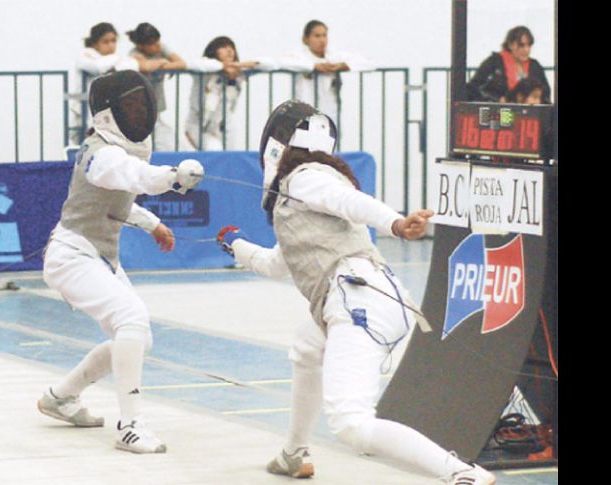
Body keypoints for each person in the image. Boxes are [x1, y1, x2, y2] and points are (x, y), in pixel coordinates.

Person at [215, 100, 496, 484]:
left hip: (357, 301)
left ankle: (463, 474)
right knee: (306, 348)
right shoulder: (296, 202)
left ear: (276, 146)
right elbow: (279, 264)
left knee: (351, 424)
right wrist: (237, 247)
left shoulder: (305, 178)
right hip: (364, 296)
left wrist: (395, 222)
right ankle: (295, 453)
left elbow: (349, 201)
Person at [37, 70, 204, 454]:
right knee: (131, 319)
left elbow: (119, 198)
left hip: (98, 256)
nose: (139, 111)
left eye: (142, 104)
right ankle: (130, 426)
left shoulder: (123, 150)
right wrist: (173, 177)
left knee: (138, 339)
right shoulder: (102, 153)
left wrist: (153, 223)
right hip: (71, 256)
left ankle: (61, 396)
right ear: (109, 112)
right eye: (129, 105)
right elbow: (133, 176)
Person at [184, 36, 275, 150]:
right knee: (215, 149)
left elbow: (270, 64)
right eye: (223, 47)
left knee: (230, 156)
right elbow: (194, 63)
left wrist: (239, 65)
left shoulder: (238, 72)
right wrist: (222, 67)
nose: (229, 50)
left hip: (222, 126)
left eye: (231, 47)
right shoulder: (204, 72)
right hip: (197, 125)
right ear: (214, 51)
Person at [280, 20, 375, 126]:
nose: (322, 40)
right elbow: (283, 62)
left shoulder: (333, 57)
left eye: (324, 35)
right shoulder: (300, 57)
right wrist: (314, 67)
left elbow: (370, 62)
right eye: (317, 36)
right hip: (304, 114)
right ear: (306, 39)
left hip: (329, 113)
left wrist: (344, 65)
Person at [71, 23, 144, 144]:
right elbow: (98, 66)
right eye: (106, 42)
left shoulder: (116, 59)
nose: (111, 45)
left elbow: (134, 66)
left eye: (113, 41)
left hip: (105, 116)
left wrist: (122, 61)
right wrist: (120, 59)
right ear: (95, 43)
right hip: (83, 116)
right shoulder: (85, 54)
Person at [127, 23, 187, 151]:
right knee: (149, 142)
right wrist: (164, 62)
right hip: (142, 110)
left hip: (156, 106)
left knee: (169, 142)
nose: (157, 45)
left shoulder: (161, 48)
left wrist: (162, 65)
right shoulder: (133, 54)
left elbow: (181, 63)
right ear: (141, 45)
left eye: (158, 41)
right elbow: (146, 66)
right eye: (152, 44)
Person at [467, 26, 551, 104]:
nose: (526, 50)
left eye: (529, 45)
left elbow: (546, 93)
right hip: (500, 113)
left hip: (529, 115)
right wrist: (496, 100)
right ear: (510, 45)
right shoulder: (494, 63)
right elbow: (473, 88)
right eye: (521, 45)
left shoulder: (535, 66)